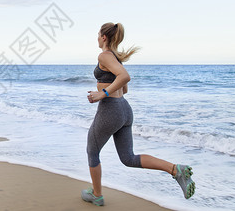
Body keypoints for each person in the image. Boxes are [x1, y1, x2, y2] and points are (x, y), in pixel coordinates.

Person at [81, 22, 195, 206]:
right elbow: (124, 89)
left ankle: (96, 194)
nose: (96, 37)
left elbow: (125, 77)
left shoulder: (104, 56)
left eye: (98, 34)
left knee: (92, 151)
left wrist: (103, 94)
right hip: (124, 110)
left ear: (103, 37)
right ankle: (175, 170)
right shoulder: (116, 58)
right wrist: (110, 92)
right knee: (128, 158)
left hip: (110, 110)